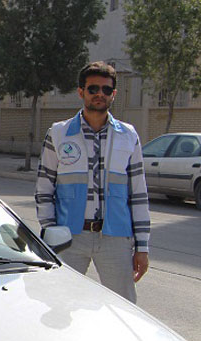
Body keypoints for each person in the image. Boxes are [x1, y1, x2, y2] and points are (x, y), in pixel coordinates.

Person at [35, 61, 150, 304]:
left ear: (114, 94)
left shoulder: (128, 136)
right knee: (60, 305)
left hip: (115, 238)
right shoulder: (59, 133)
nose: (100, 94)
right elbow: (44, 189)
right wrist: (51, 232)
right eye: (93, 88)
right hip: (70, 238)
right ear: (81, 92)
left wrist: (142, 246)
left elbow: (138, 194)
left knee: (124, 307)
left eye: (106, 90)